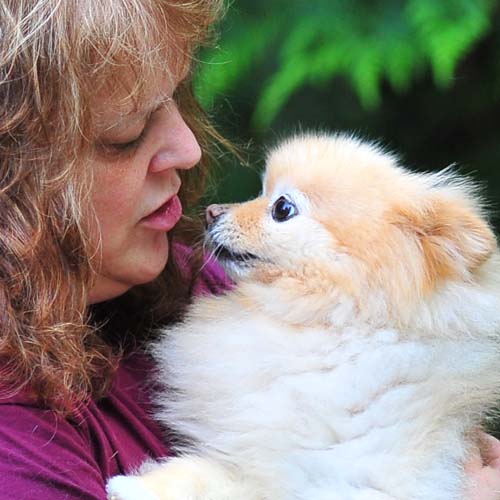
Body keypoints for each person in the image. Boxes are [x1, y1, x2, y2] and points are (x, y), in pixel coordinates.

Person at [0, 1, 498, 499]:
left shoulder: (187, 278)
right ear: (16, 176)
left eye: (177, 97)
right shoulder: (17, 451)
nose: (189, 148)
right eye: (128, 133)